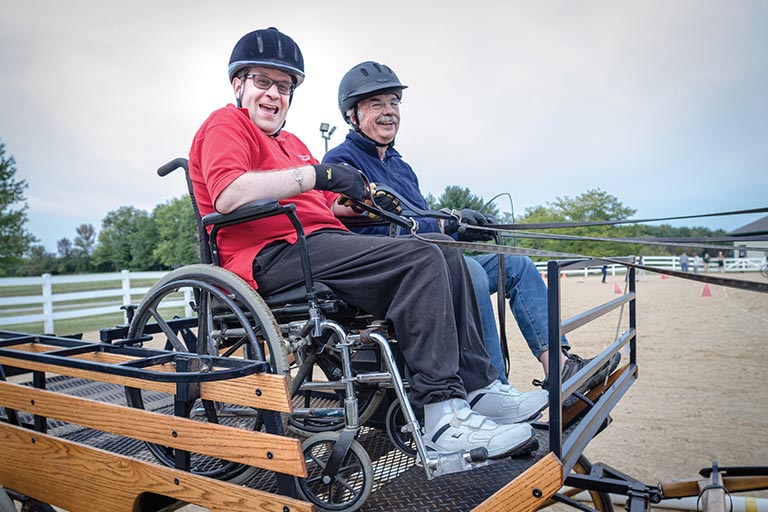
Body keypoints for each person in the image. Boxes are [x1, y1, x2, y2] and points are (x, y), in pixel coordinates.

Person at [187, 28, 548, 459]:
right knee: (421, 259)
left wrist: (369, 200)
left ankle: (481, 389)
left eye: (283, 87)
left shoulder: (293, 143)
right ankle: (442, 418)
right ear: (238, 85)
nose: (273, 95)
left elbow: (332, 205)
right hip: (270, 254)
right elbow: (228, 194)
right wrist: (318, 175)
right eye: (262, 83)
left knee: (438, 246)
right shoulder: (225, 124)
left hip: (321, 243)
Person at [323, 61, 619, 393]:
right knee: (471, 272)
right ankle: (493, 389)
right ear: (352, 115)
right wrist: (442, 222)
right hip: (387, 273)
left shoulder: (401, 167)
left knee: (515, 264)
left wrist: (461, 227)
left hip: (430, 261)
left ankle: (560, 368)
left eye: (393, 102)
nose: (389, 111)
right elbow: (373, 227)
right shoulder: (340, 163)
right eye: (376, 104)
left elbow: (420, 219)